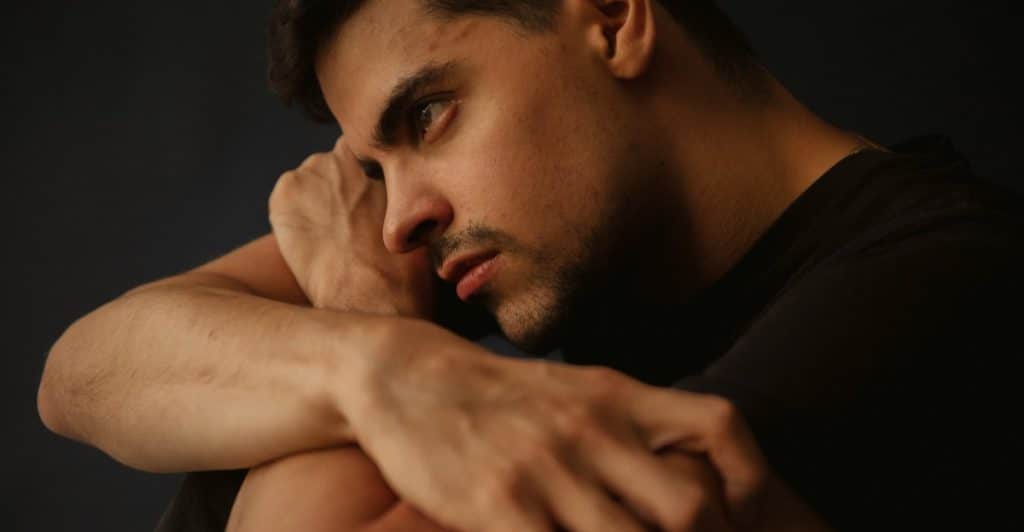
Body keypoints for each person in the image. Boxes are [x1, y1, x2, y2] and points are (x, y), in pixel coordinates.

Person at [38, 0, 1022, 530]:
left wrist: (361, 324)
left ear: (608, 15)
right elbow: (82, 375)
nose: (397, 220)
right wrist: (376, 371)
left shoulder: (943, 280)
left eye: (427, 115)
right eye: (374, 167)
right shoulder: (531, 240)